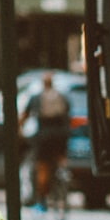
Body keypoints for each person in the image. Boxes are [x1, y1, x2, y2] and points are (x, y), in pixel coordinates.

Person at [21, 71, 70, 212]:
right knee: (60, 157)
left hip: (44, 135)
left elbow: (24, 116)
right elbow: (68, 112)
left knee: (42, 167)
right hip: (61, 134)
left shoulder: (36, 98)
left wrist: (20, 130)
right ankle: (63, 171)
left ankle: (41, 200)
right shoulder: (62, 96)